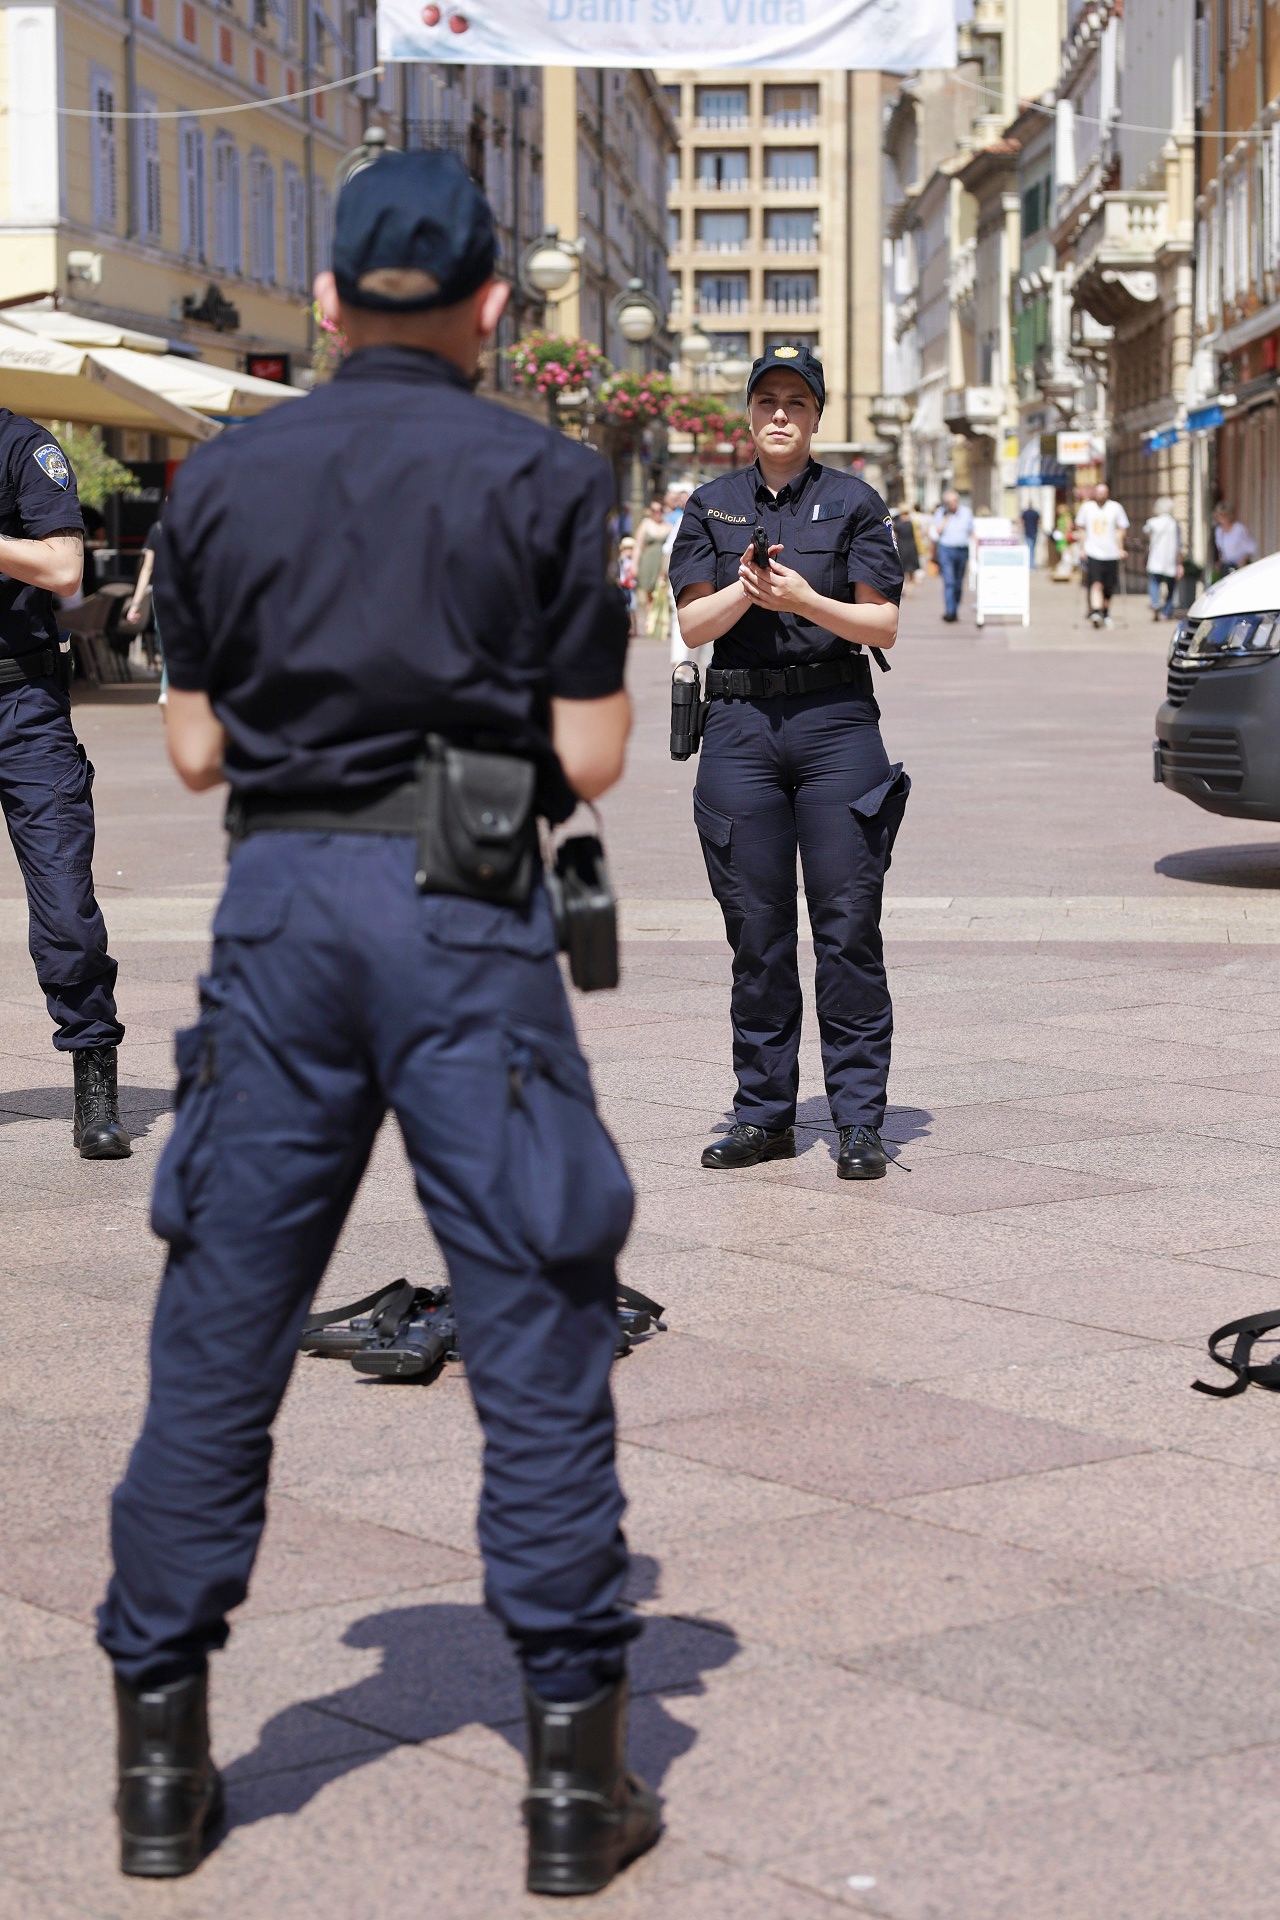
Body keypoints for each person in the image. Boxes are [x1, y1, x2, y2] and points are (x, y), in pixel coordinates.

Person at [96, 151, 658, 1899]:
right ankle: (572, 1792)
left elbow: (190, 754)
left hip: (281, 917)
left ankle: (164, 1773)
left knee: (225, 1314)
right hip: (465, 910)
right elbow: (590, 758)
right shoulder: (550, 475)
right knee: (537, 1309)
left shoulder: (225, 477)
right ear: (497, 306)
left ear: (327, 308)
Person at [669, 342, 907, 1183]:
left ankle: (858, 1123)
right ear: (748, 414)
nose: (780, 414)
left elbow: (880, 626)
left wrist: (804, 599)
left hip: (836, 722)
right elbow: (695, 628)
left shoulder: (854, 503)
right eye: (767, 400)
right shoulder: (710, 505)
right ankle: (764, 1115)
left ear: (815, 416)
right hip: (738, 724)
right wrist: (746, 590)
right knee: (758, 935)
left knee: (847, 931)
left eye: (796, 403)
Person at [0, 414, 130, 1158]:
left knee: (65, 905)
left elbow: (62, 569)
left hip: (23, 704)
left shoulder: (24, 447)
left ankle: (95, 1086)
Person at [1076, 481, 1129, 628]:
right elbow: (1081, 529)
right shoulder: (1087, 508)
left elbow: (1121, 529)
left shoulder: (1116, 508)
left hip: (1111, 553)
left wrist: (1121, 548)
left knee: (1109, 587)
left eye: (1103, 492)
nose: (1101, 495)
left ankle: (1105, 612)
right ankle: (1096, 611)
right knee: (1096, 583)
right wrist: (1082, 548)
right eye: (1098, 492)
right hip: (1093, 551)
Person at [929, 488, 973, 622]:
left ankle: (954, 609)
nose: (952, 504)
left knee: (958, 583)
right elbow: (936, 532)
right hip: (946, 550)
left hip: (962, 550)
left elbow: (972, 532)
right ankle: (949, 612)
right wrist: (946, 517)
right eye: (948, 502)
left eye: (954, 501)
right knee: (949, 581)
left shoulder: (967, 513)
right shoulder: (941, 513)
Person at [633, 495, 668, 636]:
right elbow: (638, 546)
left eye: (659, 510)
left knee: (660, 594)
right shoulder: (645, 525)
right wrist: (634, 565)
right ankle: (651, 623)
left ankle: (659, 623)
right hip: (648, 563)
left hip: (662, 564)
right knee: (648, 594)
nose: (657, 513)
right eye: (654, 510)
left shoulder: (669, 526)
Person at [1143, 497, 1182, 619]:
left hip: (1156, 558)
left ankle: (1155, 603)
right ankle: (1167, 611)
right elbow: (1178, 545)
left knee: (1155, 582)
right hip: (1170, 559)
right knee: (1171, 586)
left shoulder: (1152, 522)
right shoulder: (1174, 524)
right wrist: (1179, 563)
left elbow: (1145, 531)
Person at [1214, 503, 1258, 575]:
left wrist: (1244, 560)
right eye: (1219, 515)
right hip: (1227, 566)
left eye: (1223, 515)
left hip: (1240, 566)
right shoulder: (1219, 531)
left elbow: (1252, 546)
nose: (1221, 518)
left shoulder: (1239, 529)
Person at [892, 504, 920, 590]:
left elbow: (895, 536)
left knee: (902, 568)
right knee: (911, 568)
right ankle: (910, 587)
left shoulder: (897, 524)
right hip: (911, 546)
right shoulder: (912, 523)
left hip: (901, 546)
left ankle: (905, 586)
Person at [1021, 501, 1041, 568]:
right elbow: (1039, 522)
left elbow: (1022, 522)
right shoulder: (1036, 513)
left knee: (1030, 548)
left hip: (1028, 532)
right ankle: (1032, 565)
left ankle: (1031, 565)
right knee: (1032, 549)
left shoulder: (1025, 513)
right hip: (1034, 532)